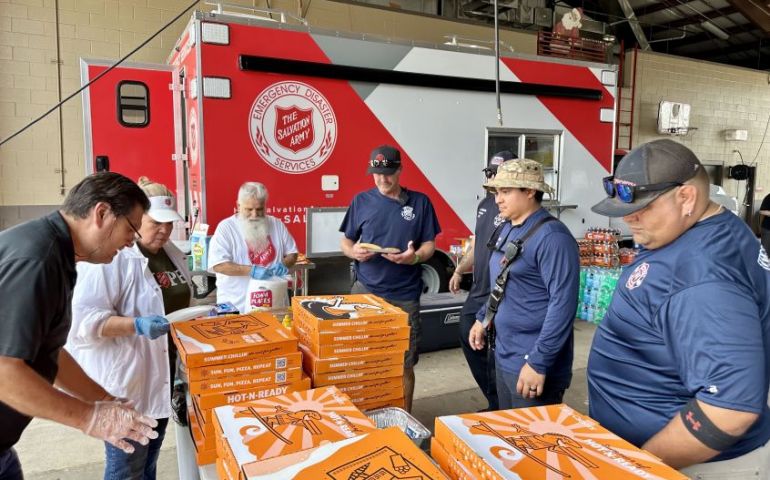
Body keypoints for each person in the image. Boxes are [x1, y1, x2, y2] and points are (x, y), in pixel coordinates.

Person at [587, 139, 770, 477]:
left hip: (690, 466)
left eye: (643, 208)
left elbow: (729, 407)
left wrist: (640, 465)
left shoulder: (700, 277)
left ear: (686, 198)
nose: (630, 219)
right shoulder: (702, 227)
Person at [0, 172, 159, 479]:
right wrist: (90, 417)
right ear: (101, 213)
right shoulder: (38, 260)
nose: (130, 243)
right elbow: (5, 372)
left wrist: (106, 400)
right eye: (131, 230)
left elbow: (49, 353)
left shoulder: (60, 254)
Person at [67, 177, 192, 480]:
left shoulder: (170, 252)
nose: (164, 230)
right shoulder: (113, 258)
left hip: (162, 375)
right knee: (126, 471)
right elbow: (82, 322)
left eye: (170, 224)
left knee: (148, 464)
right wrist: (135, 325)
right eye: (155, 223)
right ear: (137, 219)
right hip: (129, 383)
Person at [469, 158, 579, 409]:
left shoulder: (553, 238)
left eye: (506, 191)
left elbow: (563, 304)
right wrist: (482, 318)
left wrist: (539, 362)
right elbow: (502, 281)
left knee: (532, 443)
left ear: (530, 192)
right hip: (505, 354)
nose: (498, 199)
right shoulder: (509, 228)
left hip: (532, 362)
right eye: (497, 192)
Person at [340, 145, 441, 413]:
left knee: (404, 363)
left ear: (399, 170)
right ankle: (367, 412)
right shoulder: (361, 201)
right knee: (363, 359)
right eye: (376, 173)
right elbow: (346, 240)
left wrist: (414, 257)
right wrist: (354, 252)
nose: (382, 179)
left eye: (387, 174)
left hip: (404, 295)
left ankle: (405, 416)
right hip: (365, 292)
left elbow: (429, 244)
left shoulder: (420, 202)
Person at [449, 150, 516, 412]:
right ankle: (494, 398)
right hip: (479, 288)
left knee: (495, 347)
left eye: (499, 176)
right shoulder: (485, 205)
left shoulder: (514, 207)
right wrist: (458, 270)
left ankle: (499, 404)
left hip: (501, 289)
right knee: (469, 333)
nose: (493, 182)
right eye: (490, 174)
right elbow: (477, 241)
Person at [208, 182, 298, 314]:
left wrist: (284, 264)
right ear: (238, 206)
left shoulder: (277, 224)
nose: (255, 215)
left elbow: (292, 253)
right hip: (236, 307)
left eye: (260, 209)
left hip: (274, 306)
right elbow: (218, 265)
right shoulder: (226, 228)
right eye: (249, 209)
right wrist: (251, 271)